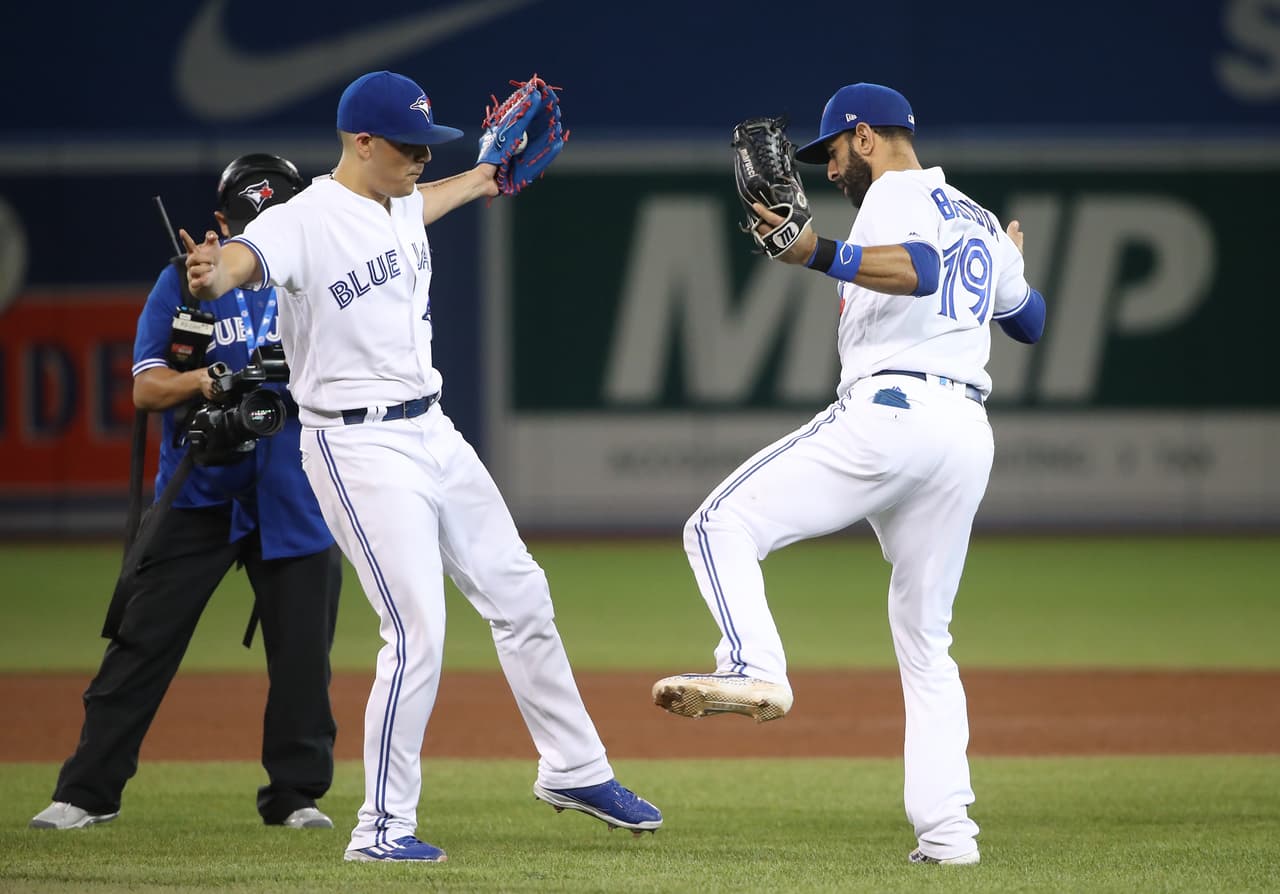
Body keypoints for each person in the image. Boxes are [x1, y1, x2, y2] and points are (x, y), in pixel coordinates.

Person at [180, 70, 661, 864]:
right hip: (355, 446)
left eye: (427, 146)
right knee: (417, 632)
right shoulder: (302, 220)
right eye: (409, 146)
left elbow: (425, 201)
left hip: (432, 429)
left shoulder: (400, 198)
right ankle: (380, 828)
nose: (421, 158)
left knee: (521, 594)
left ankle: (575, 769)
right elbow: (245, 260)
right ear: (362, 142)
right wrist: (213, 271)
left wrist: (481, 176)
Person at [652, 83, 1046, 866]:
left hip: (894, 412)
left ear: (865, 136)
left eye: (833, 152)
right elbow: (1030, 321)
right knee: (926, 641)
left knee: (719, 524)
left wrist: (817, 252)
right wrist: (1011, 261)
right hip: (966, 434)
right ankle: (949, 835)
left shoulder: (896, 194)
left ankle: (754, 667)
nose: (829, 171)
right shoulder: (974, 214)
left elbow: (923, 269)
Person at [30, 154, 343, 832]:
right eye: (250, 225)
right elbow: (146, 388)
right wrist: (205, 382)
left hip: (296, 494)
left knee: (302, 662)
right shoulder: (184, 282)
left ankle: (296, 797)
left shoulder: (320, 283)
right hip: (200, 492)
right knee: (140, 644)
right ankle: (87, 793)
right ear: (221, 224)